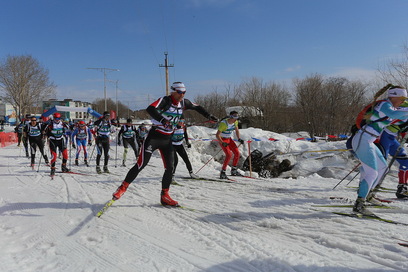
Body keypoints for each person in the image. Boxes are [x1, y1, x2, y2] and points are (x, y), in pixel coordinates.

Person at [111, 82, 218, 206]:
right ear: (173, 91)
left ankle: (165, 196)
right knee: (141, 164)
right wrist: (163, 120)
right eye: (179, 92)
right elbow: (150, 109)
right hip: (154, 138)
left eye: (184, 92)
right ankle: (122, 188)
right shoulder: (165, 101)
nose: (181, 95)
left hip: (167, 140)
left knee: (170, 168)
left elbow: (197, 107)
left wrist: (208, 115)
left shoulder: (184, 103)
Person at [351, 85, 408, 215]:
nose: (403, 102)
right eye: (402, 99)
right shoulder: (385, 105)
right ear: (394, 96)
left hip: (368, 141)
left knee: (383, 168)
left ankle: (368, 195)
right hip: (362, 140)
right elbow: (394, 114)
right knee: (372, 173)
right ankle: (359, 204)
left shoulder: (392, 107)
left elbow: (400, 117)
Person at [216, 111, 245, 179]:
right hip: (223, 140)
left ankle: (234, 170)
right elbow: (217, 135)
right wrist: (222, 142)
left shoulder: (235, 122)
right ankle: (223, 172)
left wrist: (239, 138)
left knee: (237, 153)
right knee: (229, 155)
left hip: (229, 139)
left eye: (237, 116)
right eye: (234, 116)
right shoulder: (224, 123)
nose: (236, 118)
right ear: (231, 117)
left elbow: (237, 130)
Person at [171, 117, 199, 181]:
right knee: (175, 161)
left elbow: (185, 134)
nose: (182, 122)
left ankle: (191, 173)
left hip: (179, 145)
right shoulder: (173, 127)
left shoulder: (183, 127)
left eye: (183, 121)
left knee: (186, 159)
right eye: (180, 121)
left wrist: (187, 142)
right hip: (172, 145)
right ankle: (172, 175)